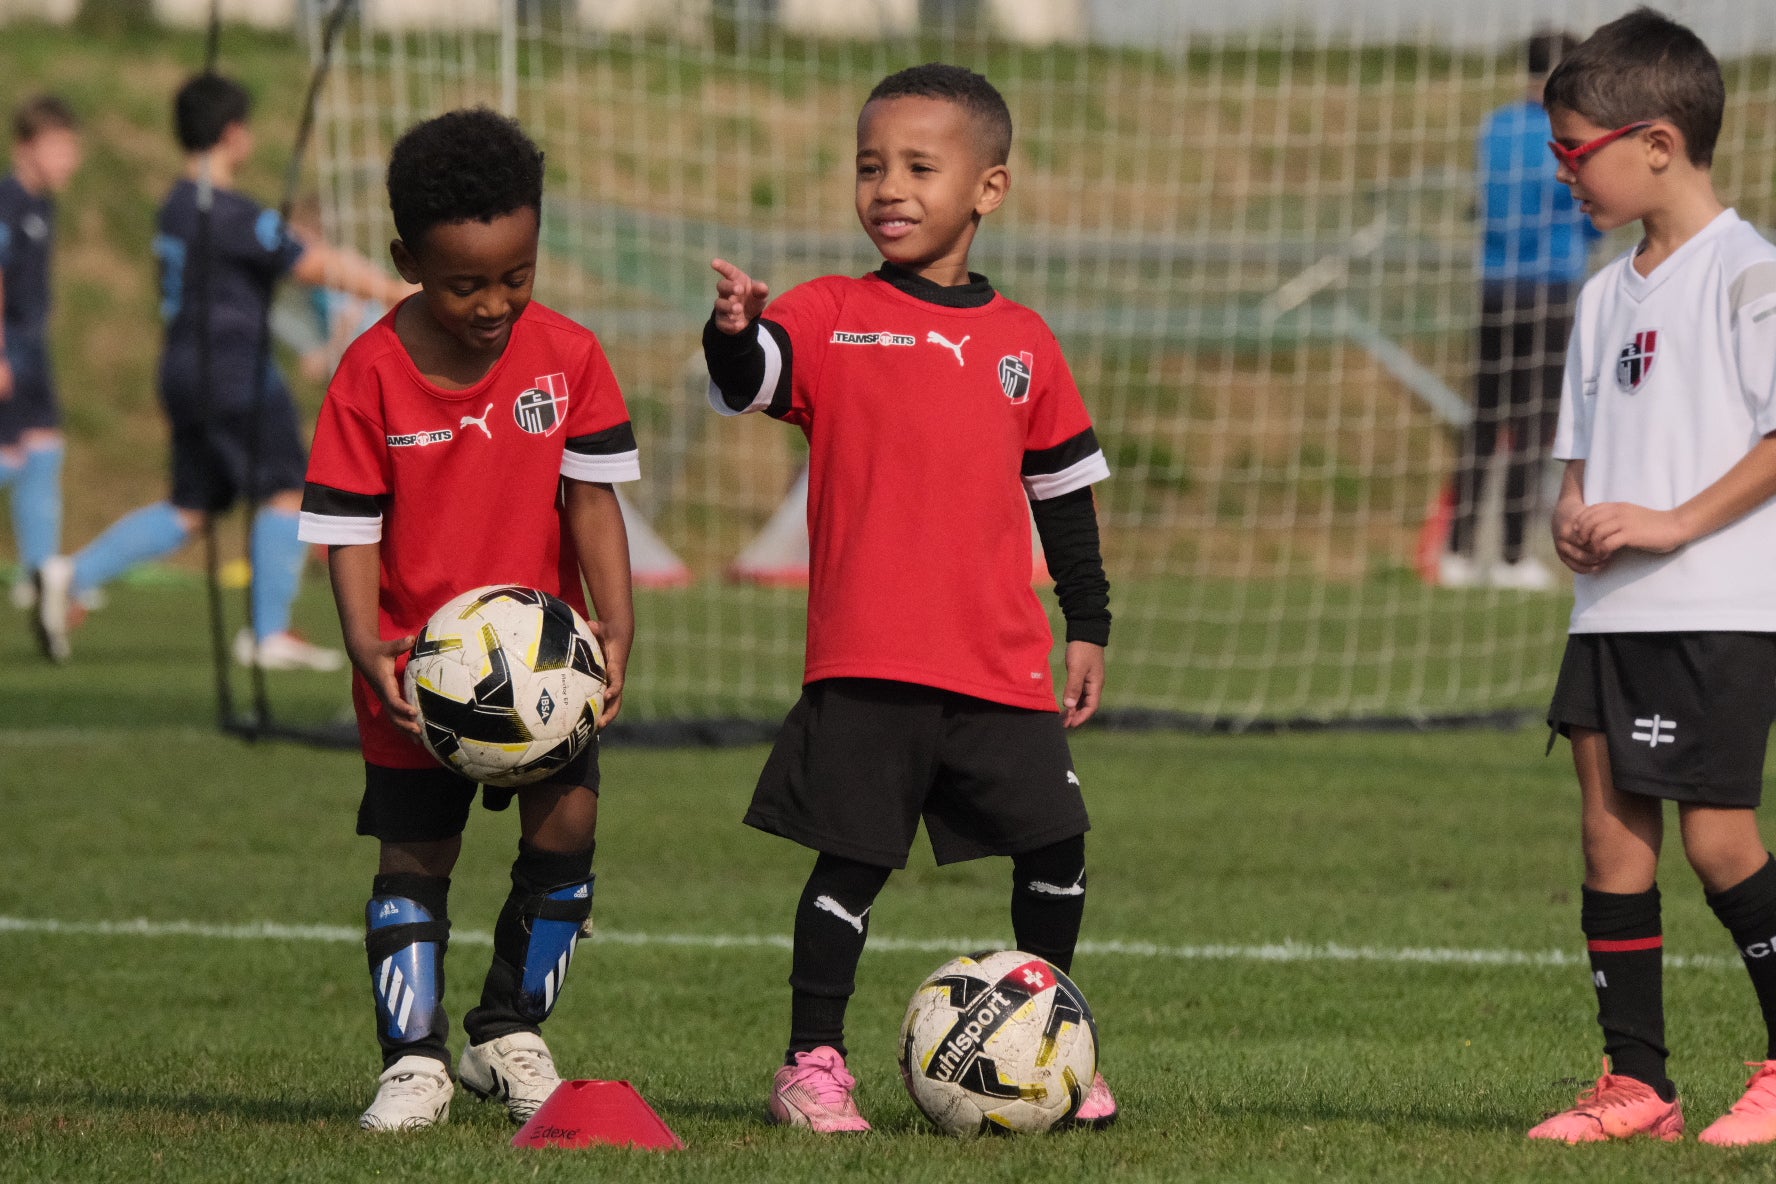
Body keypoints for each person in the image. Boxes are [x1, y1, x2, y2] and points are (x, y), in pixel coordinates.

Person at [704, 62, 1118, 1132]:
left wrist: (1090, 623)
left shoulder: (1023, 341)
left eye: (920, 168)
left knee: (1058, 843)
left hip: (999, 656)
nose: (888, 187)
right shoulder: (830, 313)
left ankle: (1047, 1039)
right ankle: (813, 1061)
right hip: (869, 654)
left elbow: (1064, 494)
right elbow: (751, 377)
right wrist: (736, 329)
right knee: (855, 859)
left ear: (988, 188)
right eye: (870, 166)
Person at [298, 107, 638, 1132]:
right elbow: (349, 529)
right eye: (465, 283)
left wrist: (615, 627)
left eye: (516, 275)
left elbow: (591, 500)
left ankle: (508, 1029)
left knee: (570, 820)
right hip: (418, 673)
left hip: (542, 672)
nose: (494, 303)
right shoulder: (367, 374)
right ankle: (414, 1059)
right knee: (416, 854)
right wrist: (365, 645)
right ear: (407, 260)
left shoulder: (569, 356)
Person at [1532, 8, 1776, 1147]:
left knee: (1719, 841)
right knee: (1609, 840)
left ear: (1660, 142)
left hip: (1719, 610)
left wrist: (1674, 522)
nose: (1564, 175)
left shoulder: (1747, 274)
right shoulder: (1595, 297)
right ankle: (1639, 1085)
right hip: (1609, 614)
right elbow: (1578, 459)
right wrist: (1572, 519)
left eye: (1575, 153)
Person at [31, 73, 409, 667]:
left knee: (191, 507)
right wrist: (393, 288)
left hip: (182, 367)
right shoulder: (231, 212)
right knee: (285, 489)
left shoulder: (174, 207)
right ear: (235, 134)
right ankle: (267, 634)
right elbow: (311, 262)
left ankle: (71, 575)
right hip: (234, 369)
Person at [1440, 29, 1601, 592]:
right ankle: (1511, 554)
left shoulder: (1495, 127)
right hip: (1551, 287)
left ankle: (1457, 552)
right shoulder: (1567, 133)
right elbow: (1583, 204)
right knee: (1534, 423)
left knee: (1484, 420)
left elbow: (1486, 203)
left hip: (1495, 287)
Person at [0, 96, 81, 610]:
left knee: (45, 449)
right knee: (12, 457)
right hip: (10, 344)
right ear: (25, 149)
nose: (70, 160)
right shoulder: (7, 200)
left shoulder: (42, 202)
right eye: (59, 148)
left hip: (32, 345)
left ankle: (39, 574)